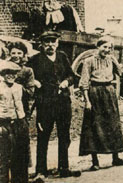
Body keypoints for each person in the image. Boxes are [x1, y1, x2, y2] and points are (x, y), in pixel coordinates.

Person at [27, 31, 81, 180]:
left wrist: (66, 82)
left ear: (57, 43)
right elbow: (25, 75)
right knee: (43, 135)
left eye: (53, 42)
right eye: (47, 42)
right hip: (45, 103)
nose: (50, 45)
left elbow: (71, 76)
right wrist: (34, 82)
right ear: (42, 45)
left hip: (63, 102)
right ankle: (41, 170)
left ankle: (64, 167)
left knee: (64, 135)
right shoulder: (35, 60)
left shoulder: (62, 57)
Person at [78, 36, 123, 170]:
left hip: (109, 93)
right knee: (94, 126)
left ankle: (116, 157)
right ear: (98, 47)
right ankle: (95, 162)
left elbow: (121, 74)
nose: (107, 50)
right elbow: (84, 83)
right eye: (104, 47)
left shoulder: (111, 59)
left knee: (113, 124)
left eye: (109, 48)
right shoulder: (88, 61)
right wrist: (87, 101)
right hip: (95, 93)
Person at [7, 41, 36, 182]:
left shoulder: (27, 71)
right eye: (13, 53)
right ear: (9, 53)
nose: (16, 55)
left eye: (19, 53)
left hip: (21, 113)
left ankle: (21, 178)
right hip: (4, 113)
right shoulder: (2, 67)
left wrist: (15, 86)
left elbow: (31, 92)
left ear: (24, 54)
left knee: (21, 146)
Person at [0, 61, 27, 183]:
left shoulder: (19, 88)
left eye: (13, 73)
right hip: (3, 123)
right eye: (7, 73)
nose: (10, 76)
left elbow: (23, 105)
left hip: (18, 123)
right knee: (4, 156)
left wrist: (23, 121)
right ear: (3, 74)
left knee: (19, 155)